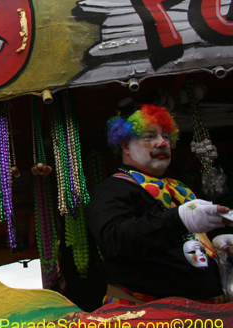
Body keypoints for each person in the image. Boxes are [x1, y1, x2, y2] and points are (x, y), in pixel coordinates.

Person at [87, 100, 232, 306]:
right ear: (126, 146)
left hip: (206, 315)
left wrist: (217, 244)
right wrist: (180, 219)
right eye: (149, 136)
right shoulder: (112, 189)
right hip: (148, 318)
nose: (162, 143)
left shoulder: (180, 189)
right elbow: (115, 240)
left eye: (165, 136)